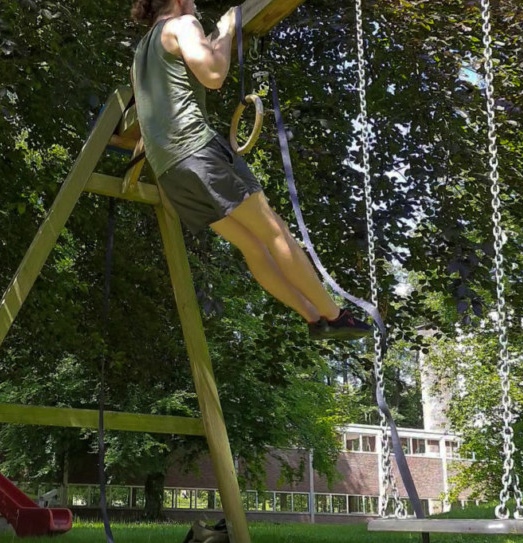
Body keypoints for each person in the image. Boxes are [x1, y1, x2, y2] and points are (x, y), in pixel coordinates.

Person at [130, 0, 371, 340]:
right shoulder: (183, 24)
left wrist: (218, 38)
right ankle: (335, 316)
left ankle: (315, 319)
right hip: (197, 152)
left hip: (169, 172)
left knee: (253, 247)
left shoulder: (142, 51)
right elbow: (213, 75)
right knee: (275, 232)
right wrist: (227, 29)